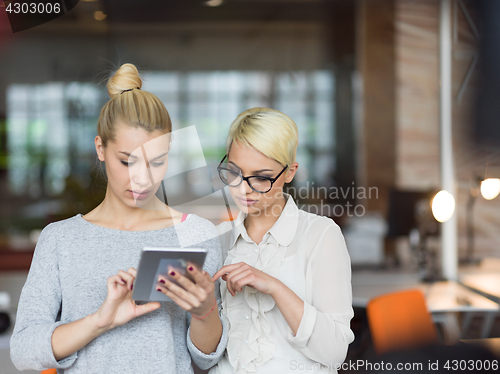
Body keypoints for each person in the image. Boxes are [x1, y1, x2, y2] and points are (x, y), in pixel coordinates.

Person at [10, 63, 228, 373]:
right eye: (127, 161)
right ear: (100, 148)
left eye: (157, 161)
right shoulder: (60, 239)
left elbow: (206, 358)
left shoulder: (196, 233)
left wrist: (206, 312)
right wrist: (99, 322)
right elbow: (24, 351)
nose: (142, 179)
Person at [210, 108, 355, 373]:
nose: (243, 188)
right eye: (234, 172)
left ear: (289, 173)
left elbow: (335, 354)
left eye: (262, 178)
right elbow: (208, 353)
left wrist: (274, 287)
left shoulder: (320, 235)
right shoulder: (218, 240)